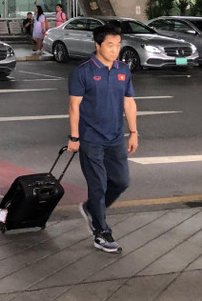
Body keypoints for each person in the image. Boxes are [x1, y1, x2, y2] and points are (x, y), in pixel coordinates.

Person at [67, 22, 138, 253]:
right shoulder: (83, 71)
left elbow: (128, 102)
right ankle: (101, 232)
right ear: (97, 45)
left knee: (121, 182)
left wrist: (134, 132)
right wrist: (74, 137)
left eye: (118, 45)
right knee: (98, 185)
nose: (115, 49)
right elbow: (74, 106)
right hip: (90, 138)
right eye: (110, 45)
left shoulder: (123, 70)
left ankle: (91, 209)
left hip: (115, 137)